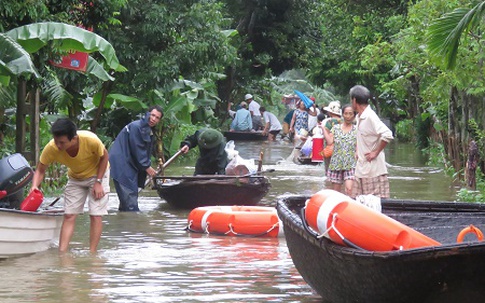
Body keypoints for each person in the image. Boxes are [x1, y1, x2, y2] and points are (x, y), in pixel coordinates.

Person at [30, 118, 109, 253]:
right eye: (56, 141)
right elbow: (40, 169)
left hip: (98, 175)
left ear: (74, 138)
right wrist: (34, 187)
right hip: (75, 177)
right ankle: (62, 253)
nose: (58, 145)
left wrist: (98, 182)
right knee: (69, 215)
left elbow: (104, 157)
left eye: (62, 142)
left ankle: (92, 254)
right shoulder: (51, 148)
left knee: (95, 214)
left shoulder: (91, 140)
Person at [109, 105, 163, 211]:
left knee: (128, 202)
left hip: (128, 164)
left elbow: (143, 151)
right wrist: (147, 167)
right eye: (152, 115)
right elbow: (137, 148)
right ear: (147, 114)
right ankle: (133, 226)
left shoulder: (147, 130)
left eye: (157, 118)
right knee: (131, 206)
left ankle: (124, 224)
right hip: (122, 164)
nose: (153, 119)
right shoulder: (137, 127)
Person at [350, 85, 394, 198]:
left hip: (373, 171)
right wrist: (357, 150)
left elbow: (387, 134)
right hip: (362, 169)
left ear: (354, 100)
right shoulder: (360, 117)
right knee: (357, 201)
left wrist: (375, 152)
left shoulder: (370, 116)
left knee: (373, 204)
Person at [323, 104, 357, 195]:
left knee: (349, 189)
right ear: (342, 115)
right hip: (337, 162)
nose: (348, 116)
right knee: (336, 193)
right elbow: (330, 142)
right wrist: (323, 129)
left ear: (354, 115)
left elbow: (359, 146)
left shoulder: (357, 130)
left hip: (351, 163)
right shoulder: (336, 128)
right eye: (346, 113)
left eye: (350, 114)